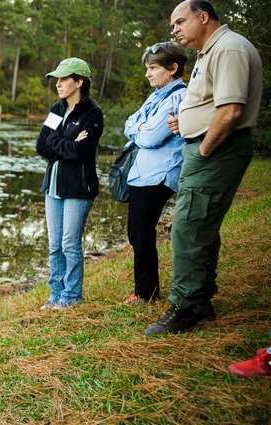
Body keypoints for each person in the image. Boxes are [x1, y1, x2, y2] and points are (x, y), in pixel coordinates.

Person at [145, 0, 263, 336]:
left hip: (216, 150)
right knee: (200, 225)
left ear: (204, 17)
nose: (175, 30)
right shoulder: (210, 52)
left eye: (180, 22)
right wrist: (185, 124)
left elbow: (230, 112)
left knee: (187, 226)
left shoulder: (229, 48)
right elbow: (212, 106)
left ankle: (184, 307)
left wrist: (206, 147)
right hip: (204, 147)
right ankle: (200, 301)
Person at [122, 42, 188, 305]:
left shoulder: (177, 96)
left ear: (172, 68)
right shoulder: (157, 96)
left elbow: (150, 136)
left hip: (158, 174)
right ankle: (145, 290)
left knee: (141, 230)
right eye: (147, 68)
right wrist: (140, 128)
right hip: (143, 174)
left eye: (153, 68)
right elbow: (130, 122)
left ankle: (146, 293)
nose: (148, 74)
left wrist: (139, 129)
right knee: (137, 231)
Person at [36, 57, 104, 310]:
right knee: (54, 245)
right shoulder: (56, 110)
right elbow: (41, 146)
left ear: (79, 82)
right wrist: (70, 142)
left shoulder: (93, 114)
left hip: (78, 187)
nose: (58, 83)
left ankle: (71, 296)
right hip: (52, 187)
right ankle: (55, 295)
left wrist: (65, 144)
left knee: (69, 243)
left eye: (64, 79)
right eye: (57, 79)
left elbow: (82, 153)